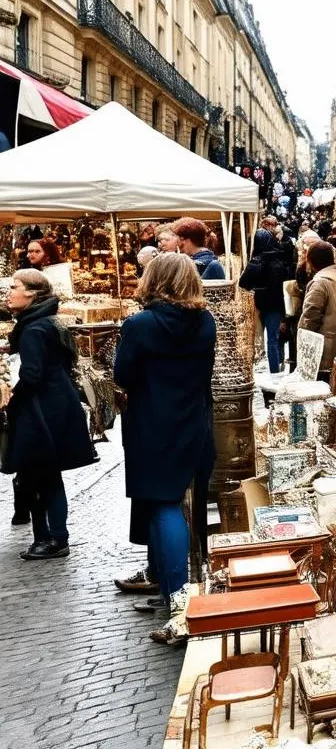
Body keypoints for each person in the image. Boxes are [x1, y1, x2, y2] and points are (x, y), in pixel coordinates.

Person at [113, 253, 216, 644]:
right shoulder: (205, 323)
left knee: (163, 505)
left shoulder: (140, 325)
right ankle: (167, 584)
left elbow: (123, 374)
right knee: (172, 502)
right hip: (194, 422)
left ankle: (179, 606)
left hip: (153, 425)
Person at [1, 270, 94, 559]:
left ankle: (49, 539)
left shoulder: (32, 329)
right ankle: (54, 536)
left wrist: (9, 396)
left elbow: (32, 374)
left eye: (13, 286)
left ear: (31, 293)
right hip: (54, 408)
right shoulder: (44, 323)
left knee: (38, 477)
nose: (8, 292)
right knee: (47, 476)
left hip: (40, 414)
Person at [297, 241, 336, 379]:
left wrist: (303, 345)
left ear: (311, 261)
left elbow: (310, 316)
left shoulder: (320, 282)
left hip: (324, 351)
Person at [238, 229, 291, 374]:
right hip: (278, 304)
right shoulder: (280, 260)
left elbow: (243, 284)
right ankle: (277, 366)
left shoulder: (255, 262)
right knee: (274, 337)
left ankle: (275, 368)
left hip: (259, 304)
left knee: (266, 337)